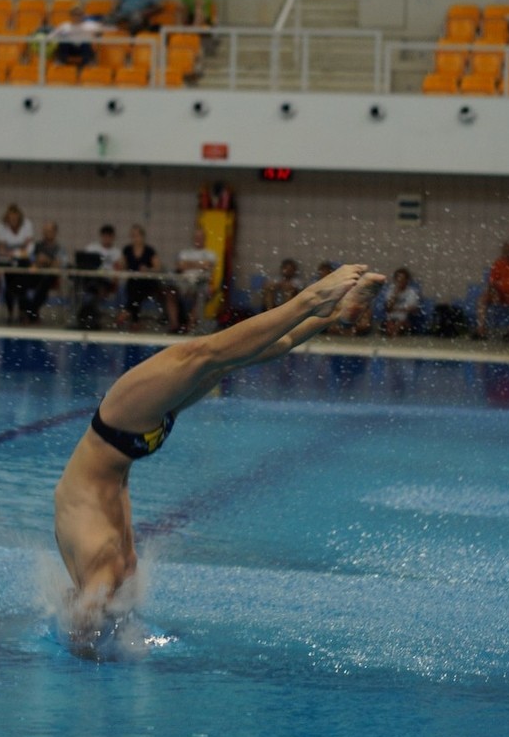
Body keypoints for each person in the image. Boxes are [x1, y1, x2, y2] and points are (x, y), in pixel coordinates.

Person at [54, 263, 385, 642]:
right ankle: (329, 311)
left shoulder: (106, 570)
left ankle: (319, 303)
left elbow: (85, 624)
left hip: (121, 429)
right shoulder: (112, 567)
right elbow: (86, 619)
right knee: (223, 357)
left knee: (211, 355)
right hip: (130, 437)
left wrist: (86, 641)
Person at [164, 225, 218, 334]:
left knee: (200, 293)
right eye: (196, 237)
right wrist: (199, 264)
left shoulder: (210, 254)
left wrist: (189, 264)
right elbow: (180, 266)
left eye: (200, 237)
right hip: (184, 282)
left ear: (204, 238)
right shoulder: (185, 252)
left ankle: (190, 326)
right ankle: (174, 325)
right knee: (170, 292)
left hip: (201, 283)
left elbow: (208, 265)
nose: (198, 239)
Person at [116, 223, 166, 329]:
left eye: (137, 235)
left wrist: (148, 270)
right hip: (133, 282)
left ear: (142, 236)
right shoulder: (127, 250)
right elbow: (123, 265)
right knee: (134, 289)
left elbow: (158, 268)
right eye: (132, 236)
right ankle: (134, 320)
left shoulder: (149, 251)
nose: (135, 238)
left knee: (137, 291)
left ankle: (128, 313)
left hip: (147, 282)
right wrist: (120, 265)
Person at [472, 241, 509, 340]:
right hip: (500, 295)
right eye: (505, 252)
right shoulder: (498, 263)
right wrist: (494, 293)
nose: (507, 254)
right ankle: (481, 330)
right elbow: (491, 283)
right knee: (482, 300)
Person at [20, 221, 68, 324]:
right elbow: (30, 260)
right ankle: (30, 311)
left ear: (55, 232)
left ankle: (31, 312)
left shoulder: (60, 248)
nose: (47, 233)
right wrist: (38, 262)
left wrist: (47, 261)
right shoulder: (36, 246)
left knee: (45, 281)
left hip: (51, 277)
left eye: (49, 231)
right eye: (45, 231)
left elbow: (60, 264)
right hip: (36, 275)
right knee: (20, 281)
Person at [0, 203, 35, 322]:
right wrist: (17, 250)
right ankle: (10, 312)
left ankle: (22, 312)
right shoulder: (1, 227)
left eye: (15, 218)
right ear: (7, 218)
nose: (13, 220)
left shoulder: (27, 225)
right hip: (9, 262)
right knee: (9, 287)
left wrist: (13, 252)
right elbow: (1, 249)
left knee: (21, 286)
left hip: (23, 261)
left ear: (19, 217)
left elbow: (28, 247)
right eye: (11, 218)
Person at [76, 223, 120, 330]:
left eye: (109, 236)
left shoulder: (117, 252)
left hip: (107, 281)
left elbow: (118, 269)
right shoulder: (92, 248)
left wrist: (114, 281)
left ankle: (88, 318)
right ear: (101, 236)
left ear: (113, 237)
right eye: (105, 236)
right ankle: (88, 318)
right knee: (88, 290)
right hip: (91, 278)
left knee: (95, 292)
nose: (107, 239)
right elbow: (82, 262)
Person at [382, 266, 422, 337]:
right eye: (398, 279)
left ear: (407, 280)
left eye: (402, 279)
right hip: (391, 317)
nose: (400, 281)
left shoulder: (411, 293)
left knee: (399, 324)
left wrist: (396, 309)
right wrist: (395, 295)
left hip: (405, 319)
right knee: (390, 325)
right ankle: (392, 335)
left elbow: (412, 309)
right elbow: (388, 308)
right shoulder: (390, 291)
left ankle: (395, 336)